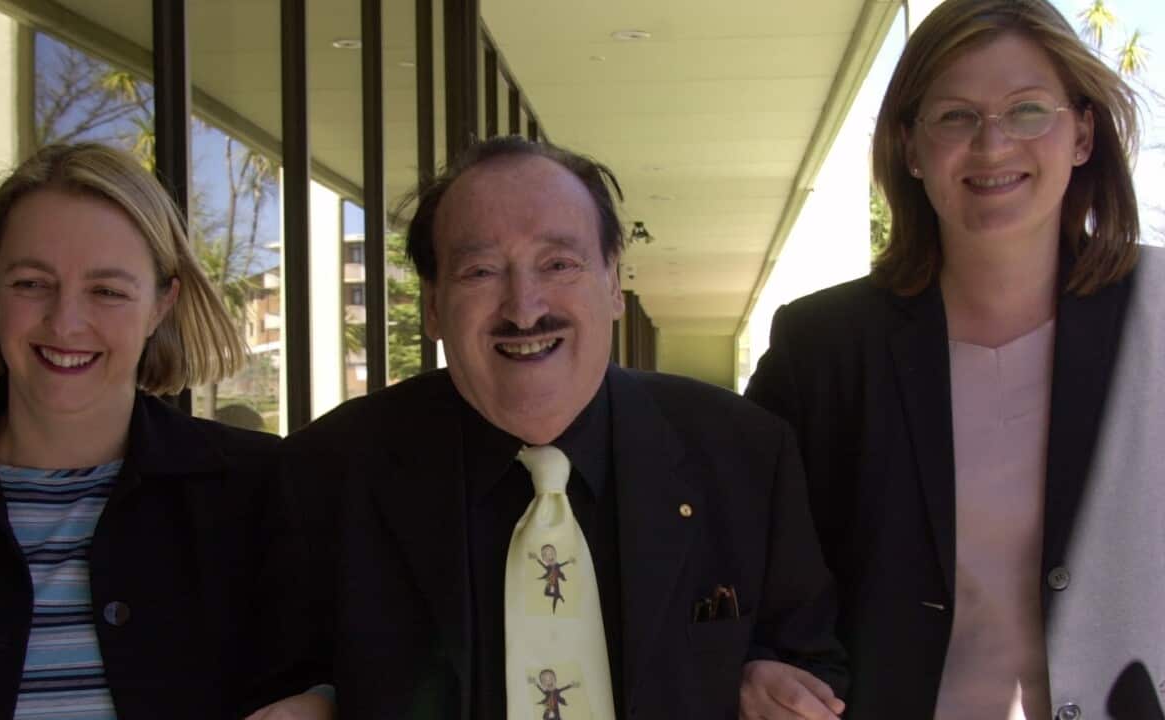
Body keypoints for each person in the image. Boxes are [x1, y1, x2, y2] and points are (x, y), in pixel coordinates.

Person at [285, 136, 847, 719]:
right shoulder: (326, 473)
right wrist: (317, 700)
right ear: (432, 306)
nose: (524, 308)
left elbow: (812, 657)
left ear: (611, 284)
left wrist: (770, 679)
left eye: (558, 264)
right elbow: (272, 672)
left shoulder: (744, 453)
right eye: (479, 271)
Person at [745, 0, 1161, 717]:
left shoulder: (1158, 319)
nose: (993, 145)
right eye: (957, 117)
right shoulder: (824, 349)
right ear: (910, 146)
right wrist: (750, 665)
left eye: (1029, 111)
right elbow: (738, 566)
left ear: (1083, 133)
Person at [0, 143, 326, 719]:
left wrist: (321, 702)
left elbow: (338, 667)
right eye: (30, 283)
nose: (66, 322)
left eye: (108, 291)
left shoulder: (261, 491)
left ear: (161, 305)